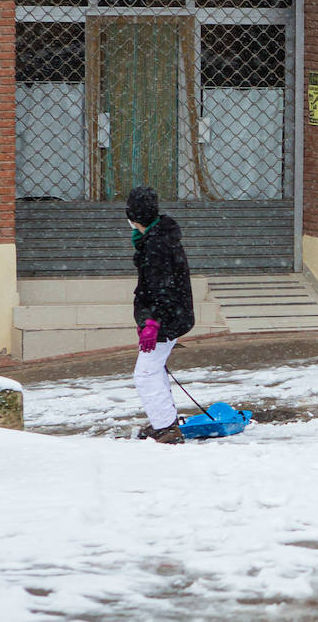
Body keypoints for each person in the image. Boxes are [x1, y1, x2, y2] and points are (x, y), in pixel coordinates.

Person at [126, 185, 195, 444]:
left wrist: (152, 322)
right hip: (170, 316)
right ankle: (164, 421)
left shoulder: (156, 245)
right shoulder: (156, 238)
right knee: (154, 370)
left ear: (133, 217)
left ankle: (167, 428)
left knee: (145, 374)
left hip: (166, 319)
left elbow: (161, 288)